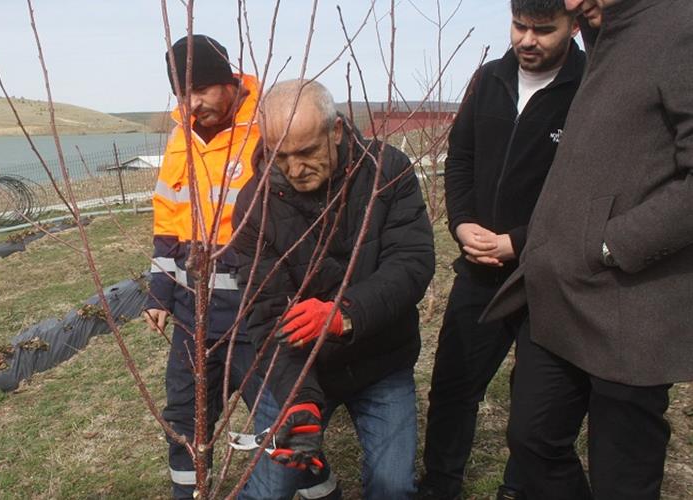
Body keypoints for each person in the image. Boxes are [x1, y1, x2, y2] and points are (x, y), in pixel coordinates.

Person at [483, 0, 693, 498]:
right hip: (558, 294)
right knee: (532, 441)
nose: (572, 4)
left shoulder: (681, 26)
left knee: (621, 476)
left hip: (630, 304)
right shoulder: (605, 30)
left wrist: (609, 243)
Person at [233, 80, 435, 500]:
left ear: (337, 130)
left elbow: (411, 264)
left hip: (380, 359)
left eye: (306, 152)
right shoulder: (255, 205)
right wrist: (298, 400)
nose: (293, 168)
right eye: (280, 155)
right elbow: (266, 312)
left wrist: (346, 313)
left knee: (393, 486)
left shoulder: (387, 169)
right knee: (269, 490)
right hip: (302, 366)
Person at [417, 1, 585, 498]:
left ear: (573, 25)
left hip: (546, 275)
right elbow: (461, 158)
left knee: (535, 400)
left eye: (543, 30)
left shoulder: (589, 87)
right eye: (519, 26)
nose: (528, 40)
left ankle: (520, 484)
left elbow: (586, 192)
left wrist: (521, 241)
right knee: (453, 387)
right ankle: (440, 485)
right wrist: (462, 222)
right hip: (479, 270)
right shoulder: (489, 78)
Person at [143, 34, 264, 498]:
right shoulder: (179, 139)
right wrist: (159, 291)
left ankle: (321, 490)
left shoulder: (270, 127)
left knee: (279, 417)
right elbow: (166, 217)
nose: (192, 104)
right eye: (182, 94)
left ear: (230, 81)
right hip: (193, 315)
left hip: (257, 311)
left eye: (202, 90)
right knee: (185, 420)